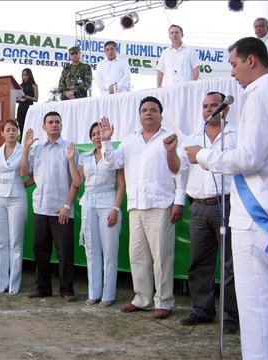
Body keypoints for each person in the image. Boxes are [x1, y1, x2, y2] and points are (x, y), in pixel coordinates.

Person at [184, 37, 268, 360]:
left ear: (251, 61)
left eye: (233, 64)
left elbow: (249, 158)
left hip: (254, 214)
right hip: (261, 209)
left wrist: (204, 156)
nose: (231, 72)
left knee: (256, 309)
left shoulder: (259, 94)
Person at [99, 97, 187, 319]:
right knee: (137, 256)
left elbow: (180, 172)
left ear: (161, 114)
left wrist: (179, 201)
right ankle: (142, 299)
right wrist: (106, 142)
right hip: (136, 207)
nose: (148, 113)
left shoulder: (170, 138)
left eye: (153, 110)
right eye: (144, 110)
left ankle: (164, 301)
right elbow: (112, 163)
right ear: (139, 115)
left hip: (161, 205)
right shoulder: (130, 140)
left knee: (162, 257)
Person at [178, 92, 239, 334]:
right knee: (199, 262)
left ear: (225, 110)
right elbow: (178, 171)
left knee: (230, 264)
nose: (209, 109)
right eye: (205, 106)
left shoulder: (237, 135)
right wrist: (172, 152)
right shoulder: (193, 138)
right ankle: (202, 310)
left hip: (228, 205)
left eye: (214, 105)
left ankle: (230, 315)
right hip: (199, 207)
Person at [20, 111, 79, 302]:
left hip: (61, 209)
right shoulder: (36, 149)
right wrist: (26, 147)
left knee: (65, 251)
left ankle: (67, 290)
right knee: (40, 250)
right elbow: (24, 173)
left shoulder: (69, 149)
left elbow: (75, 182)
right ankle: (43, 287)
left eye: (57, 122)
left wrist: (67, 205)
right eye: (50, 122)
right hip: (40, 207)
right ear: (44, 127)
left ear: (61, 126)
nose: (54, 125)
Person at [67, 122, 125, 306]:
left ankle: (108, 295)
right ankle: (94, 293)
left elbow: (121, 185)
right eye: (93, 134)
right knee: (91, 249)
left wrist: (115, 209)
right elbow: (77, 182)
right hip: (88, 203)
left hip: (108, 202)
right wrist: (70, 160)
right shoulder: (84, 156)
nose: (96, 137)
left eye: (99, 133)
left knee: (109, 250)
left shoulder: (114, 155)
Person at [0, 120, 30, 295]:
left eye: (14, 129)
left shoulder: (23, 149)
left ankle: (14, 284)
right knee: (0, 242)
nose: (11, 132)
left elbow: (26, 173)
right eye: (8, 130)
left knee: (15, 242)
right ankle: (1, 283)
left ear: (18, 132)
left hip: (17, 196)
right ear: (2, 133)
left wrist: (25, 149)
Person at [16, 68, 39, 137]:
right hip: (21, 107)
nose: (25, 77)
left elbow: (36, 99)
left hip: (29, 107)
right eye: (23, 75)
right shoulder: (19, 86)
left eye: (26, 75)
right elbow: (17, 99)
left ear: (30, 75)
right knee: (21, 125)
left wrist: (28, 97)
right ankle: (22, 141)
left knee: (28, 125)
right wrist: (17, 98)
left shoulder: (34, 85)